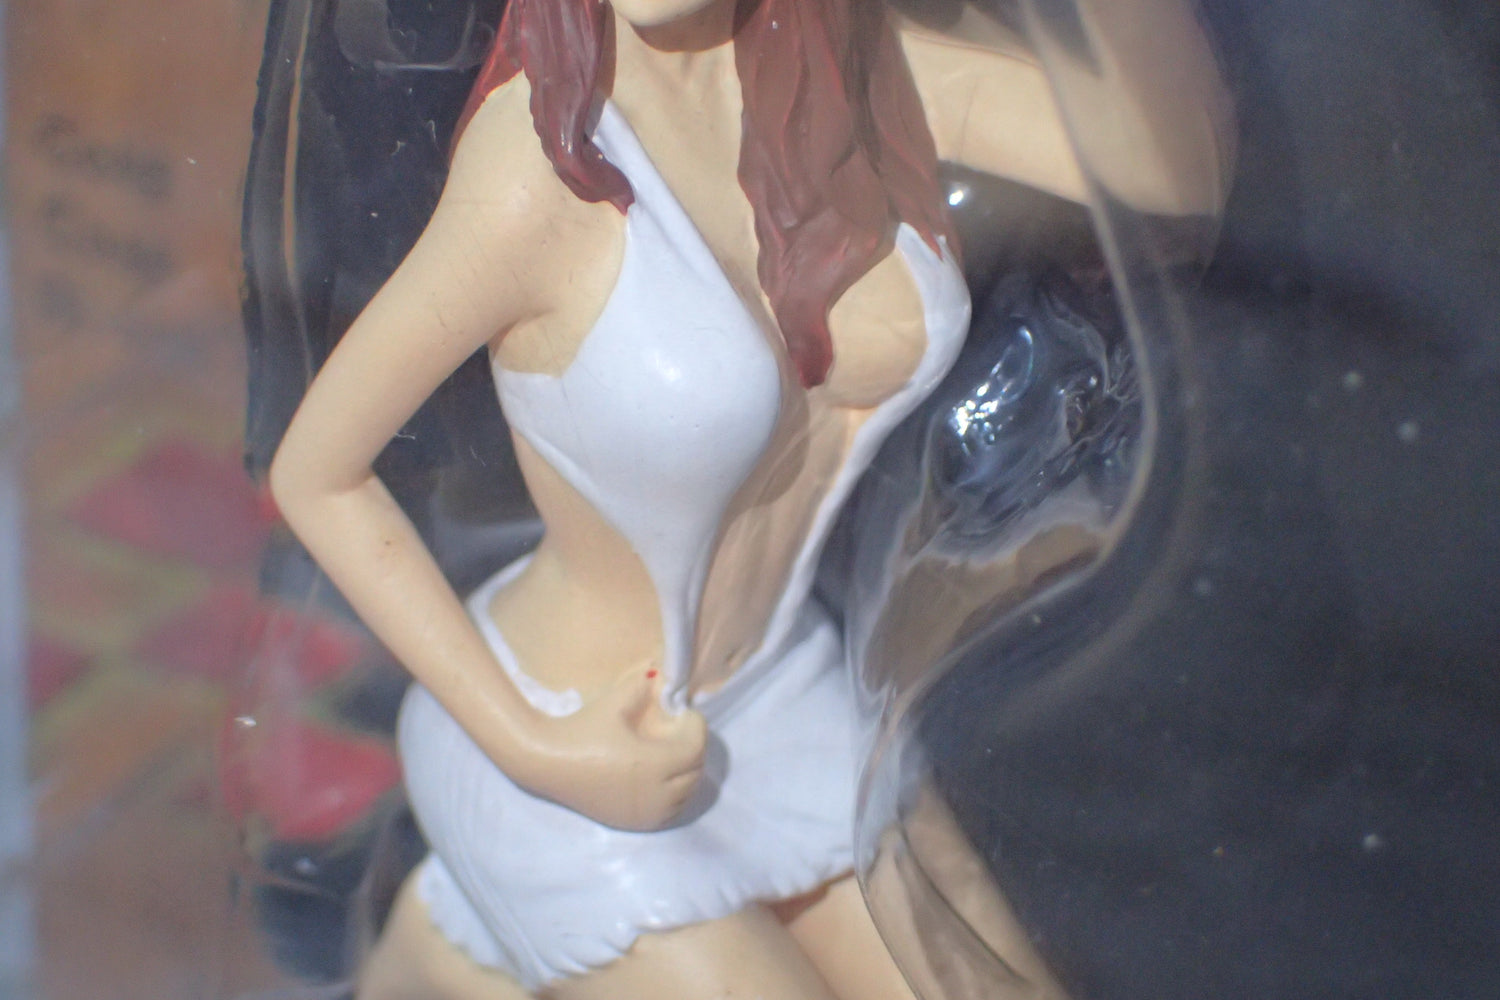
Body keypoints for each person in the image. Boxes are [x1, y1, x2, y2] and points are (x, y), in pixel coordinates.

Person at [267, 0, 1228, 996]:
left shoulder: (866, 79)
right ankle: (455, 941)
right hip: (572, 735)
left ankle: (454, 951)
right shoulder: (536, 173)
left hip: (777, 695)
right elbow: (318, 472)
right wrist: (538, 750)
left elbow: (1166, 169)